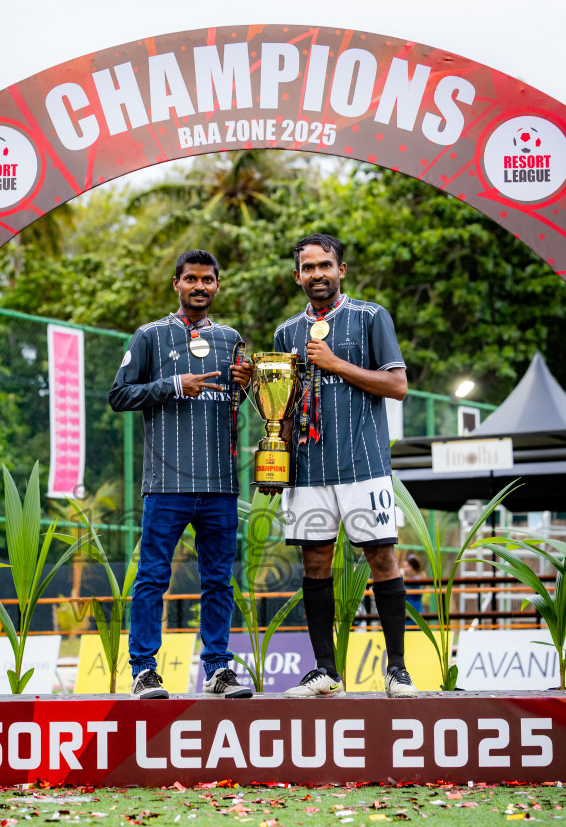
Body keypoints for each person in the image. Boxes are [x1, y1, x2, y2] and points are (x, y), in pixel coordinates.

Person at [271, 233, 418, 697]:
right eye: (308, 267)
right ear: (297, 276)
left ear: (341, 270)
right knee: (314, 561)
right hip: (308, 470)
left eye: (325, 265)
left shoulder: (371, 317)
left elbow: (397, 386)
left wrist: (335, 363)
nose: (317, 274)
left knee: (381, 557)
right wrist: (277, 457)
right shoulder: (285, 333)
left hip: (364, 465)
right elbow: (285, 406)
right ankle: (325, 672)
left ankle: (396, 669)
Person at [109, 249, 253, 699]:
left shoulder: (231, 338)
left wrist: (247, 386)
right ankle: (144, 670)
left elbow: (234, 405)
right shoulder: (150, 335)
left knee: (218, 581)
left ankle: (217, 668)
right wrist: (174, 385)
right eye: (191, 279)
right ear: (176, 283)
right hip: (166, 483)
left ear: (216, 284)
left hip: (220, 484)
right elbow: (119, 395)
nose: (199, 287)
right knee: (153, 576)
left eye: (208, 280)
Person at [402, 553, 425, 622]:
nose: (405, 569)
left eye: (407, 566)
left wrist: (400, 576)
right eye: (404, 566)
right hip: (408, 611)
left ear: (413, 567)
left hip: (414, 611)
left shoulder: (416, 579)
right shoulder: (410, 579)